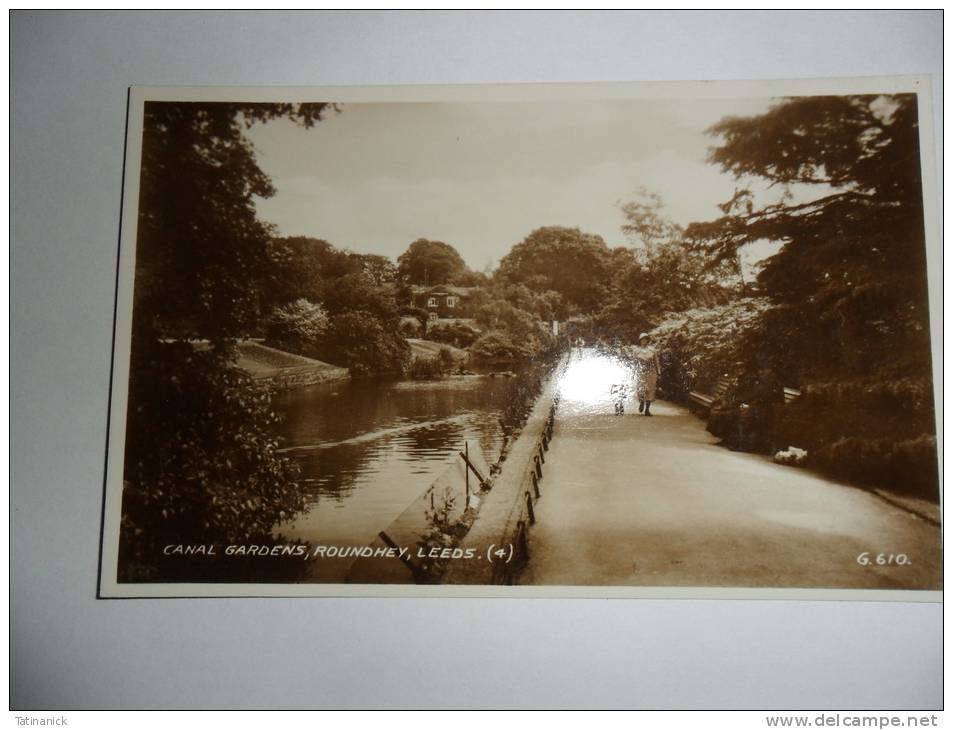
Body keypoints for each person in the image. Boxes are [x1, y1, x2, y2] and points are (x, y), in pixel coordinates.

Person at [632, 332, 661, 416]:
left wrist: (659, 372)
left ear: (648, 340)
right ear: (640, 341)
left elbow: (656, 362)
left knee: (650, 390)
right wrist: (633, 373)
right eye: (642, 339)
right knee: (641, 389)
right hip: (640, 372)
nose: (644, 341)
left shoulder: (652, 350)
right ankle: (641, 402)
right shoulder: (636, 351)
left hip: (651, 372)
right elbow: (634, 363)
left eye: (645, 339)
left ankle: (647, 410)